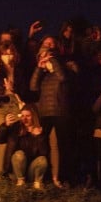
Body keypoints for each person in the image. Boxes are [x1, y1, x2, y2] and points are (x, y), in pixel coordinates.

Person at [29, 36, 71, 188]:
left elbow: (62, 77)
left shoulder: (61, 68)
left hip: (60, 112)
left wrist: (53, 62)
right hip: (44, 112)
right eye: (42, 56)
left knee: (61, 146)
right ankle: (43, 177)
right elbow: (33, 87)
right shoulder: (42, 73)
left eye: (47, 56)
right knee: (42, 144)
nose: (44, 58)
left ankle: (60, 178)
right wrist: (39, 68)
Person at [0, 40, 23, 177]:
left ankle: (10, 170)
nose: (8, 57)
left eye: (10, 54)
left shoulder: (18, 69)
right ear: (0, 55)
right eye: (4, 54)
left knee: (13, 135)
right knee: (2, 134)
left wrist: (13, 88)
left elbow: (23, 88)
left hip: (13, 102)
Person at [0, 103, 49, 189]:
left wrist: (39, 137)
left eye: (28, 116)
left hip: (30, 171)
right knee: (19, 154)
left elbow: (44, 153)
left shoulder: (40, 130)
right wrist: (5, 125)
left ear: (34, 117)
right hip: (16, 171)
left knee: (42, 160)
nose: (24, 119)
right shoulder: (16, 127)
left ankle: (37, 183)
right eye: (22, 116)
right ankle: (20, 182)